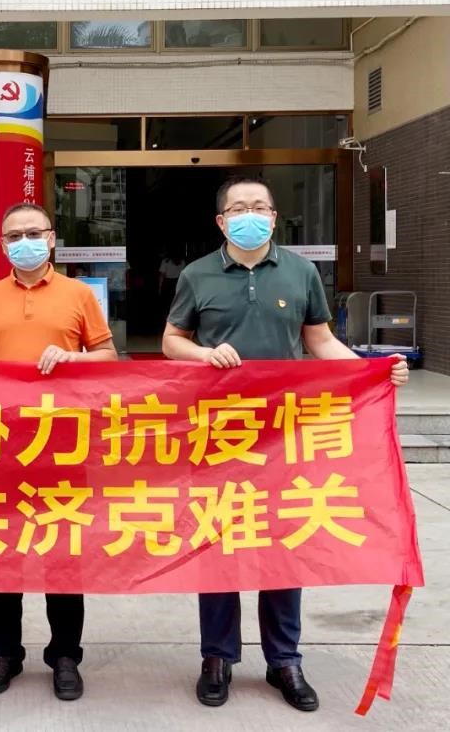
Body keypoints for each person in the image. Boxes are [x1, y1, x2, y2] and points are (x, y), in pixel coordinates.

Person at [162, 175, 409, 713]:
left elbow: (319, 340)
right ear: (221, 221)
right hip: (219, 431)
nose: (249, 215)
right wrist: (204, 355)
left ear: (274, 218)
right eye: (238, 208)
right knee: (218, 542)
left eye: (260, 207)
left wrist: (372, 371)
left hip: (285, 434)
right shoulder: (198, 274)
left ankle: (284, 660)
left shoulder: (301, 272)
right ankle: (217, 657)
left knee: (285, 541)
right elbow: (172, 340)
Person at [0, 203, 117, 702]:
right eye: (14, 236)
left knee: (63, 552)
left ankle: (65, 656)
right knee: (2, 551)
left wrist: (73, 358)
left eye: (33, 233)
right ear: (3, 245)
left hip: (63, 443)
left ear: (52, 238)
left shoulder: (78, 294)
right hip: (0, 442)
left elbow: (108, 356)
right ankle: (5, 653)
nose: (24, 242)